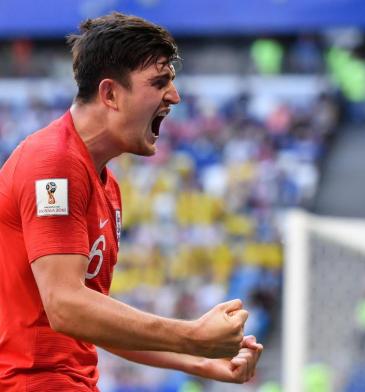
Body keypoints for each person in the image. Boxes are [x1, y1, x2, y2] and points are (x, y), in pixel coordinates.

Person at [0, 12, 263, 391]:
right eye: (160, 83)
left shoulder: (106, 184)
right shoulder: (53, 163)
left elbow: (92, 320)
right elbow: (65, 306)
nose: (174, 96)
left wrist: (203, 361)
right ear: (109, 94)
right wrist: (193, 335)